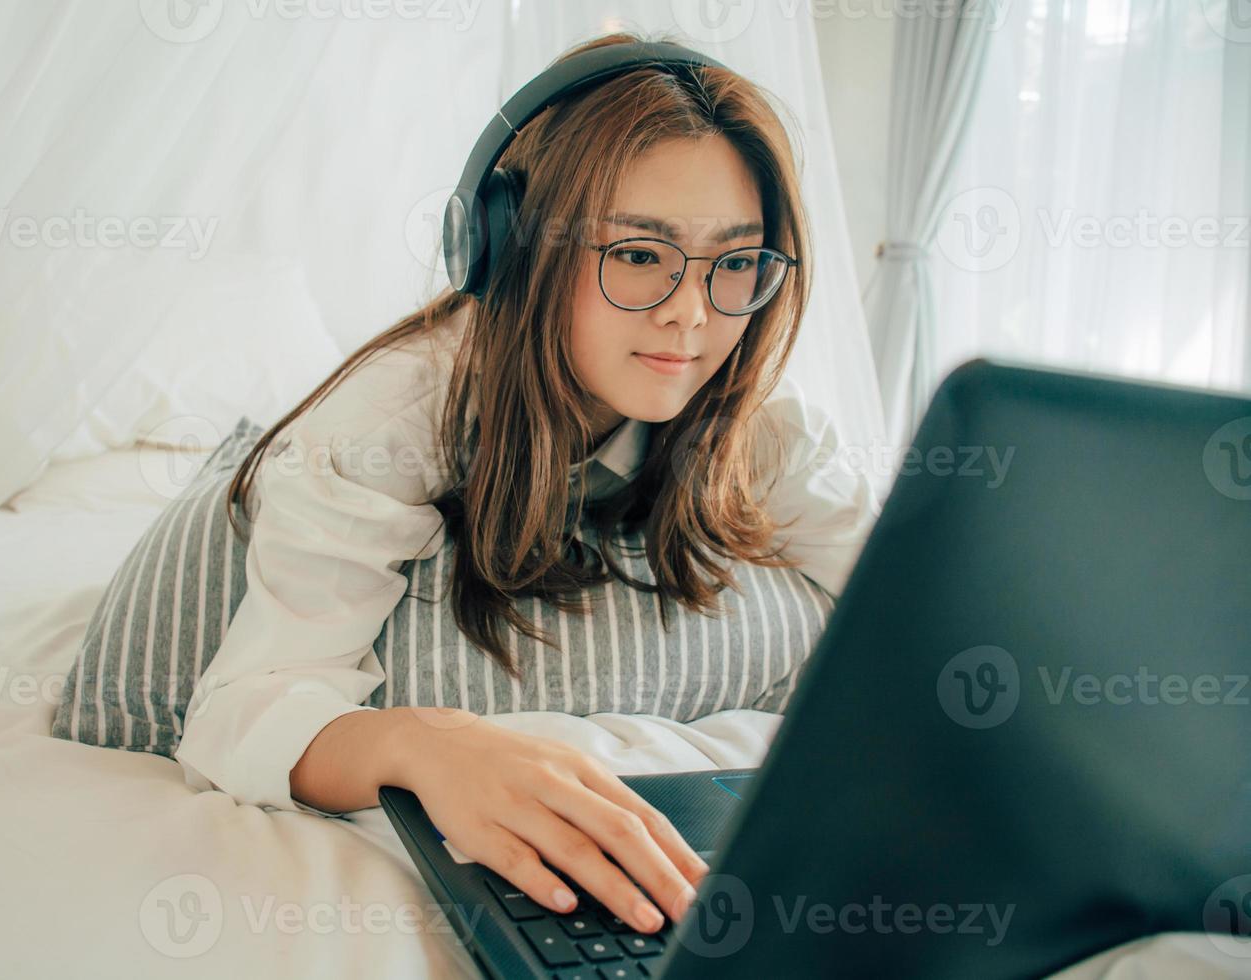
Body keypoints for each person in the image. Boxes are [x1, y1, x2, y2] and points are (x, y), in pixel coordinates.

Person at [175, 30, 881, 938]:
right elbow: (243, 709)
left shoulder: (755, 418)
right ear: (508, 248)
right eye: (637, 254)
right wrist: (426, 745)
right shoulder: (391, 422)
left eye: (736, 262)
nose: (692, 314)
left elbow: (909, 585)